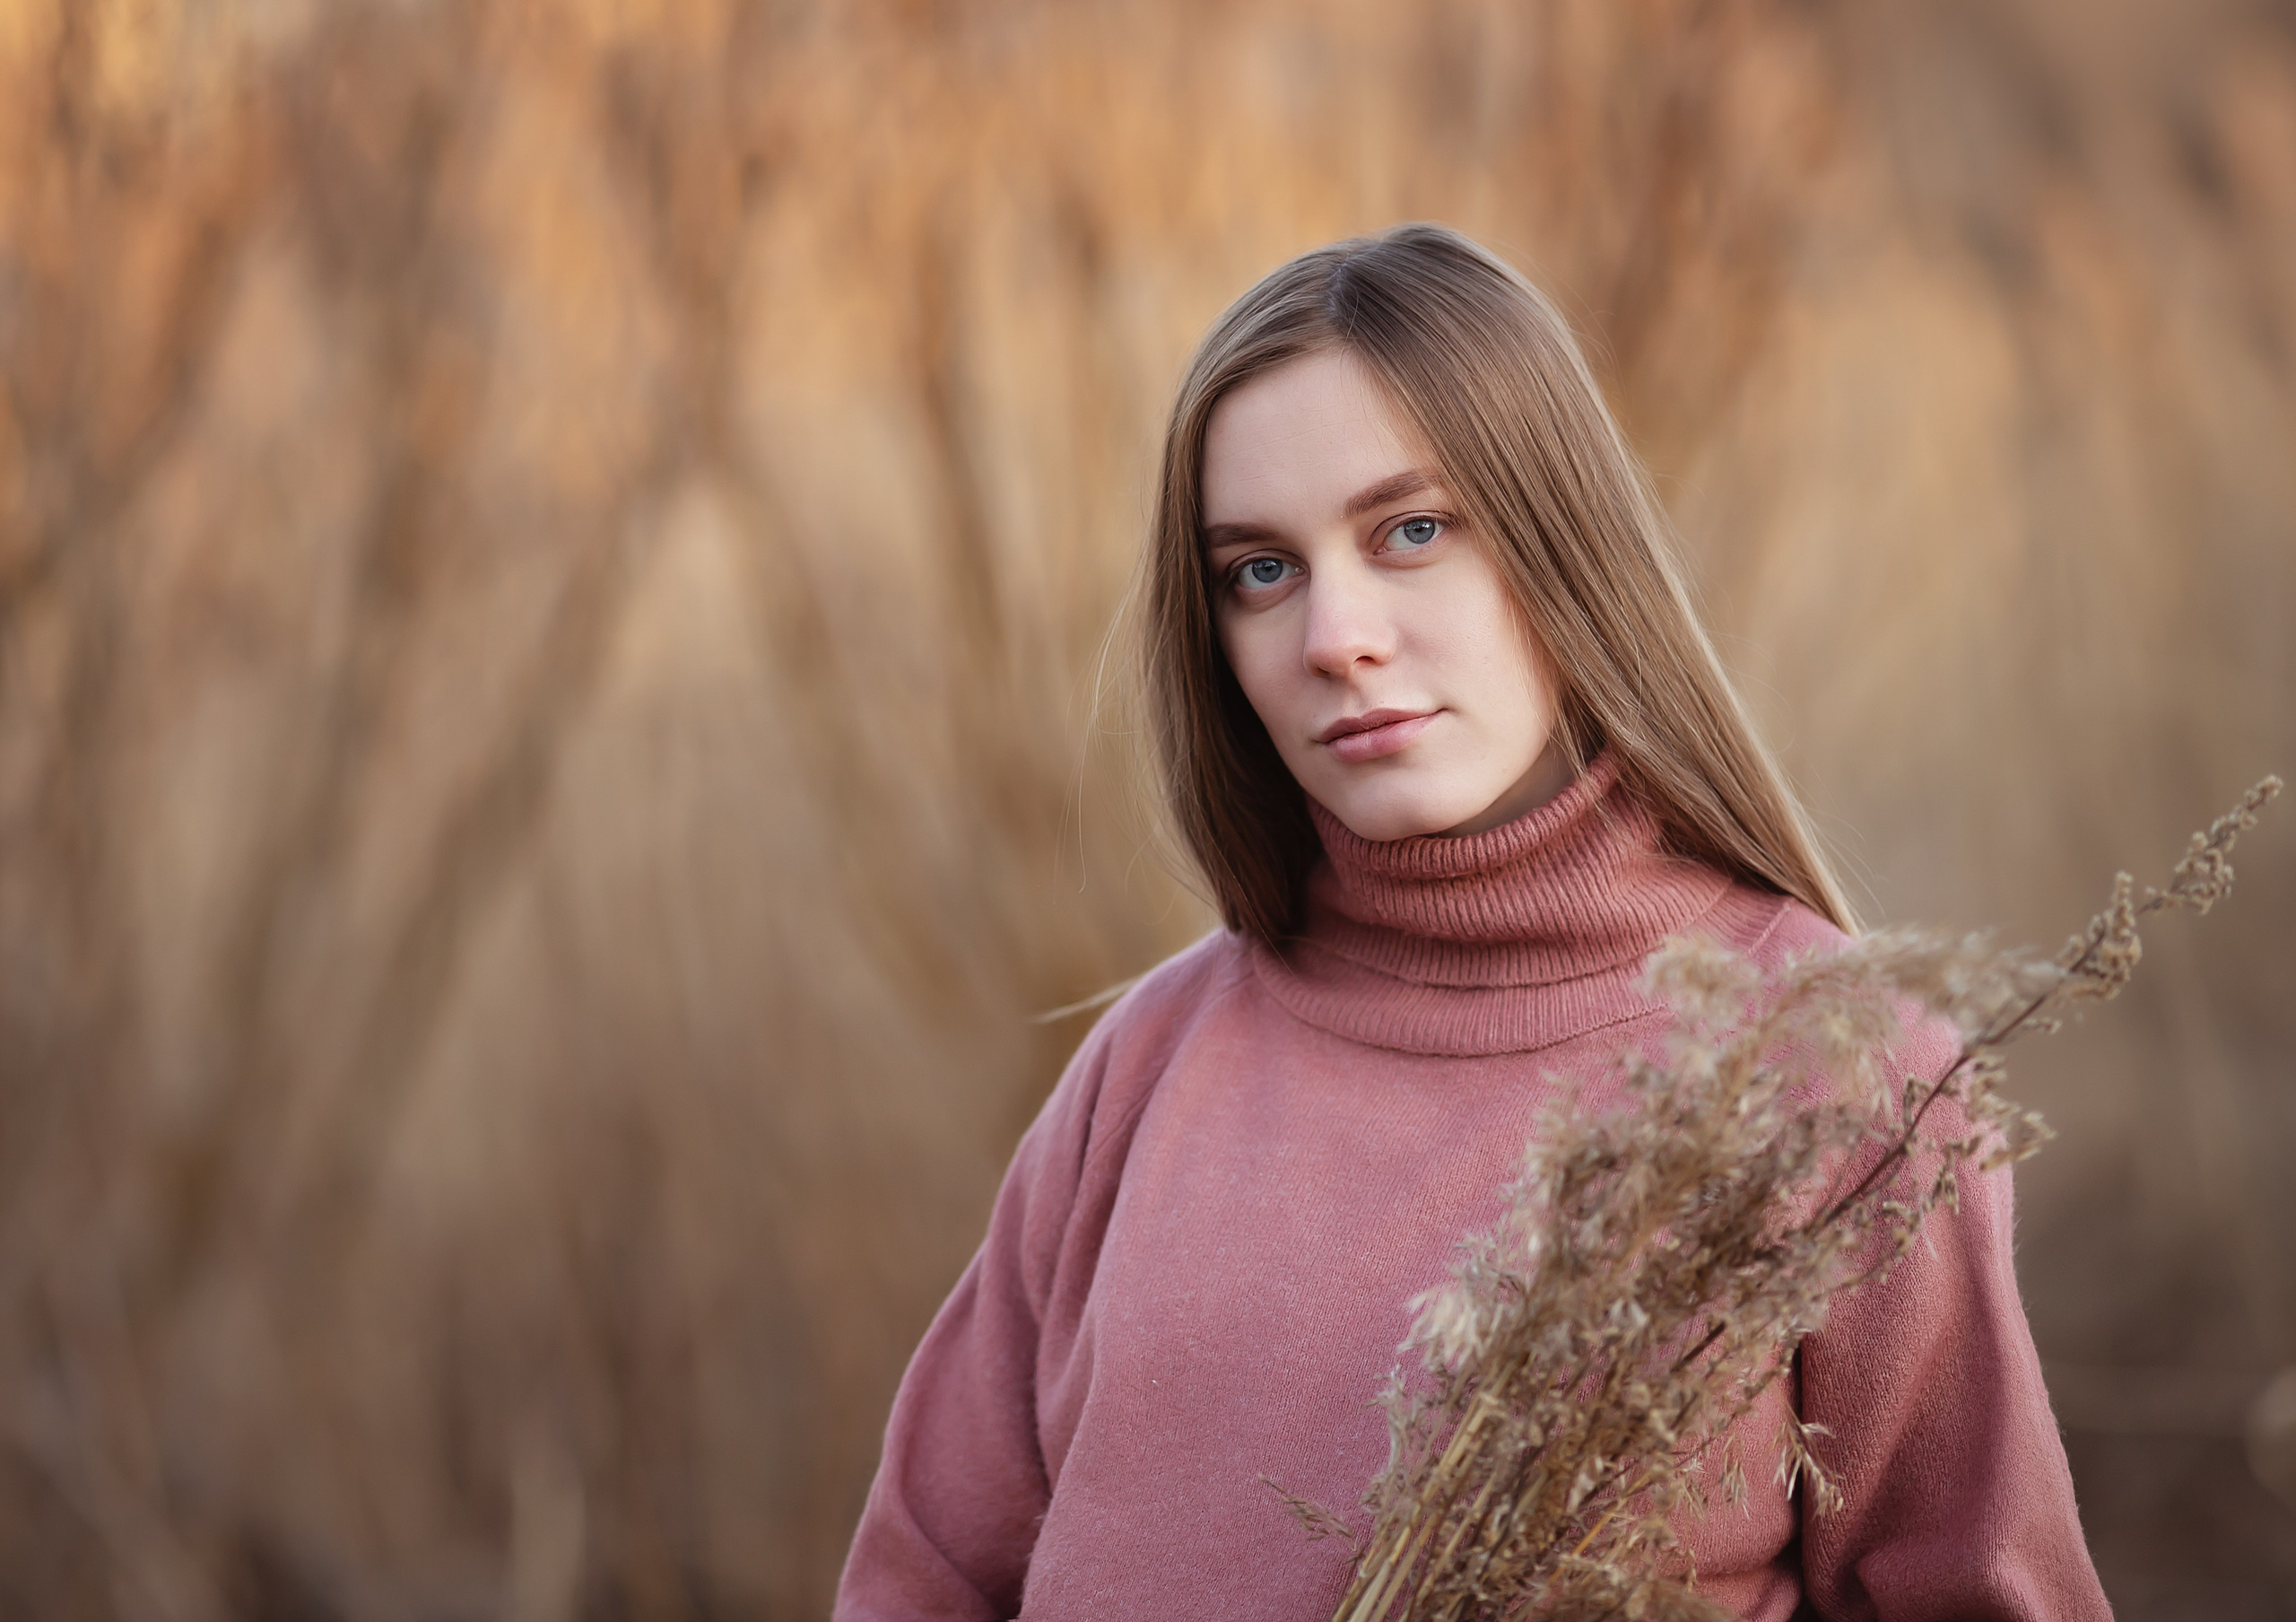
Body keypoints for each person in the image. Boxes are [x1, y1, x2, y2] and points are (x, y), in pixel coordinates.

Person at [834, 224, 2109, 1620]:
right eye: (1259, 569)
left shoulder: (1832, 1081)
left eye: (1414, 532)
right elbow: (924, 1580)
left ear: (1563, 544)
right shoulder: (1144, 1068)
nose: (1337, 635)